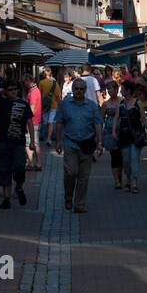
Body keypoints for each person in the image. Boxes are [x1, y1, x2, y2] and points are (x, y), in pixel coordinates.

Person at [54, 78, 104, 214]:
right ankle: (68, 196)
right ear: (72, 89)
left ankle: (80, 204)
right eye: (76, 89)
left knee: (83, 176)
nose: (79, 91)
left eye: (82, 89)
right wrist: (58, 141)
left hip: (87, 144)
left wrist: (99, 143)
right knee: (71, 172)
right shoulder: (65, 104)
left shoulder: (92, 106)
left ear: (85, 90)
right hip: (70, 143)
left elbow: (98, 124)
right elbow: (59, 122)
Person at [0, 79, 34, 210]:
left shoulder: (23, 104)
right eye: (11, 89)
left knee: (20, 167)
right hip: (3, 140)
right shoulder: (3, 102)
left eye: (15, 89)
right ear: (6, 92)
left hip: (18, 141)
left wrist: (32, 140)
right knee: (4, 168)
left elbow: (29, 122)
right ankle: (6, 198)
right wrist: (2, 90)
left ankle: (18, 187)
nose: (14, 91)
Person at [101, 80, 128, 190]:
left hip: (122, 130)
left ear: (116, 90)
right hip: (109, 132)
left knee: (121, 156)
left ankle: (119, 175)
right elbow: (101, 119)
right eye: (108, 89)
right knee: (114, 155)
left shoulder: (123, 101)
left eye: (111, 89)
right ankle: (116, 180)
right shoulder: (105, 104)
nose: (110, 91)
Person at [122, 83, 147, 194]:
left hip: (136, 135)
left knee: (134, 158)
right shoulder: (121, 103)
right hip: (124, 135)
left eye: (122, 89)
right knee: (126, 160)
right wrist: (113, 131)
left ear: (128, 90)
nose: (121, 91)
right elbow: (116, 118)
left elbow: (144, 119)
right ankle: (128, 180)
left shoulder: (138, 103)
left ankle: (135, 183)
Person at [22, 73, 42, 170]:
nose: (23, 83)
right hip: (35, 120)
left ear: (28, 80)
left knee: (30, 142)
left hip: (33, 121)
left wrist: (26, 121)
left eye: (24, 81)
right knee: (34, 142)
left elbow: (32, 108)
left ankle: (33, 163)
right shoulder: (33, 90)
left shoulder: (33, 91)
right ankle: (35, 163)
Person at [38, 67, 61, 146]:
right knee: (51, 122)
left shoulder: (41, 83)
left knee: (45, 122)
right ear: (51, 73)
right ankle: (49, 138)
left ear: (44, 74)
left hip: (44, 105)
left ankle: (46, 137)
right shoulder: (55, 83)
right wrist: (61, 105)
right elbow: (58, 96)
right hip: (53, 105)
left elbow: (39, 95)